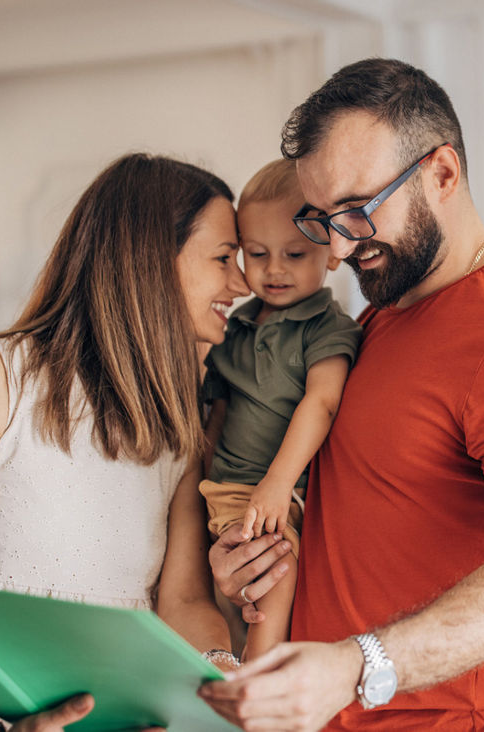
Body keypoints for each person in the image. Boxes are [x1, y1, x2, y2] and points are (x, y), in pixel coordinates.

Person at [199, 58, 484, 731]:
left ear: (442, 173)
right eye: (323, 220)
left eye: (357, 210)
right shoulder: (377, 316)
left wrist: (357, 666)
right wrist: (243, 567)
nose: (340, 245)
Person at [0, 153, 271, 732]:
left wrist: (224, 681)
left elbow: (184, 602)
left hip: (107, 715)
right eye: (225, 258)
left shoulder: (179, 423)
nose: (243, 282)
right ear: (148, 261)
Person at [199, 158, 361, 660]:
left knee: (276, 562)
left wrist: (277, 482)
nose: (274, 270)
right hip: (230, 486)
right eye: (257, 253)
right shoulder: (235, 326)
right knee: (258, 567)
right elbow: (218, 413)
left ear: (332, 253)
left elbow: (323, 401)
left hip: (283, 490)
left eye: (294, 253)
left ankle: (259, 669)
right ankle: (249, 666)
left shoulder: (327, 327)